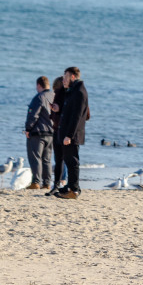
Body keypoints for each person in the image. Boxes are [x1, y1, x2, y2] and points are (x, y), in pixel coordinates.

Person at [56, 67, 89, 199]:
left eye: (65, 77)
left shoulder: (80, 92)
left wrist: (69, 135)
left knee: (72, 161)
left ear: (73, 77)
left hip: (72, 134)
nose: (63, 80)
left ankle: (74, 190)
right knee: (69, 161)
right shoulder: (73, 91)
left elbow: (77, 117)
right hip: (68, 133)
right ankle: (70, 186)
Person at [24, 76, 54, 189]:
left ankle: (36, 182)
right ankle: (47, 183)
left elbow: (33, 115)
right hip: (51, 133)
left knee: (35, 157)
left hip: (38, 133)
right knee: (47, 159)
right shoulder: (54, 96)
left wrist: (28, 129)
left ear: (39, 85)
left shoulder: (39, 97)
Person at [47, 76, 66, 195]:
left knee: (61, 159)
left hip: (61, 131)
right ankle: (58, 184)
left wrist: (56, 111)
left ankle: (59, 184)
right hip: (58, 130)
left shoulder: (62, 97)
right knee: (61, 159)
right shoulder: (62, 98)